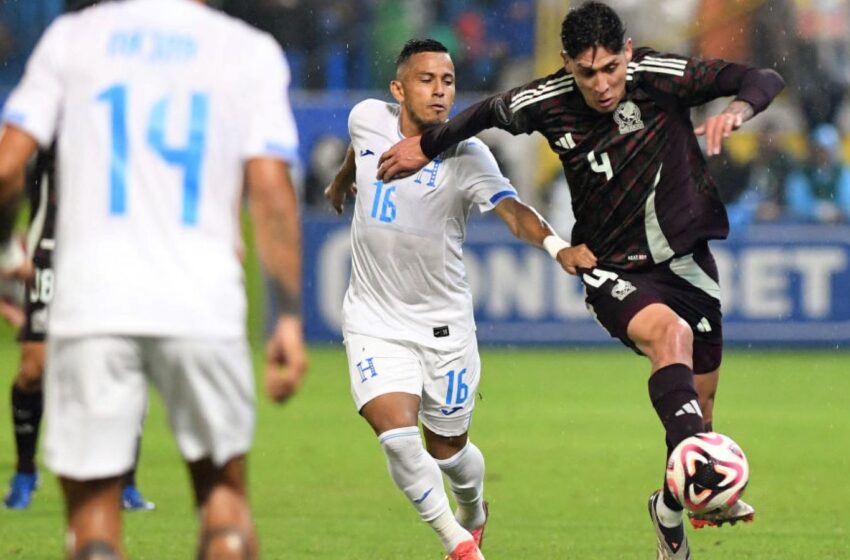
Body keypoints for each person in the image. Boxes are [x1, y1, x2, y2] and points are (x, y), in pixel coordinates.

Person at [376, 3, 784, 559]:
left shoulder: (660, 77)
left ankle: (671, 508)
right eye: (587, 72)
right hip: (608, 266)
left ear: (628, 52)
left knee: (698, 419)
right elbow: (484, 115)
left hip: (688, 266)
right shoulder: (546, 101)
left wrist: (737, 110)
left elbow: (762, 77)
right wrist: (425, 146)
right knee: (672, 340)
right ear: (567, 63)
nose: (602, 84)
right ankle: (703, 476)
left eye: (611, 68)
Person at [0, 0, 307, 558]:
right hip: (202, 300)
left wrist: (2, 248)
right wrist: (286, 314)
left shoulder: (72, 38)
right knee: (225, 503)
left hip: (93, 298)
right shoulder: (248, 51)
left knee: (93, 517)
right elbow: (270, 189)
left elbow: (6, 167)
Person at [324, 38, 596, 560]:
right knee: (397, 436)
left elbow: (514, 210)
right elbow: (357, 152)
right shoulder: (366, 117)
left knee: (447, 452)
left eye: (448, 81)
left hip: (444, 327)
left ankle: (473, 512)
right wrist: (341, 183)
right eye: (427, 80)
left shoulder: (467, 154)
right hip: (374, 319)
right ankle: (460, 546)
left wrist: (557, 246)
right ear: (398, 89)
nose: (440, 91)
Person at [3, 145, 155, 512]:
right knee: (33, 367)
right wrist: (8, 249)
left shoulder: (125, 110)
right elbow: (8, 170)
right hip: (49, 253)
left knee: (123, 362)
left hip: (114, 252)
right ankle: (25, 472)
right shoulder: (50, 106)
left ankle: (125, 482)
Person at [785, 123, 850, 224]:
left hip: (839, 228)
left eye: (824, 151)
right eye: (818, 150)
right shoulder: (801, 174)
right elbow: (796, 202)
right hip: (806, 228)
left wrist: (835, 211)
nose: (821, 155)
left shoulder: (844, 173)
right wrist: (815, 211)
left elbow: (847, 201)